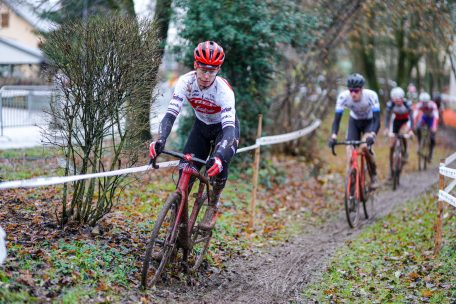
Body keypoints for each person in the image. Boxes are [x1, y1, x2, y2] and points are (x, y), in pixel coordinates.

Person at [149, 41, 240, 230]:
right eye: (203, 70)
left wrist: (220, 157)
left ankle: (213, 204)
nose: (207, 76)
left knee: (219, 164)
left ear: (218, 70)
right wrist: (160, 139)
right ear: (195, 65)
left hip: (224, 130)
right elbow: (170, 114)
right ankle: (175, 229)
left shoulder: (224, 92)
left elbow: (229, 128)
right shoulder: (186, 82)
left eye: (212, 71)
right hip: (201, 127)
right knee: (185, 172)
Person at [328, 73, 381, 189]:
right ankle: (351, 187)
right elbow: (336, 120)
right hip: (354, 122)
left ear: (362, 89)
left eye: (356, 91)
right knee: (350, 153)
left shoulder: (371, 95)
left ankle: (373, 176)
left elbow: (377, 120)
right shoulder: (343, 97)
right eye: (351, 90)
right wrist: (333, 136)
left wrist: (372, 135)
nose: (353, 94)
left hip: (369, 122)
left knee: (365, 147)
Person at [383, 87, 414, 181]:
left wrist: (411, 130)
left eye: (399, 100)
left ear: (402, 98)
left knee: (403, 134)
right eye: (395, 100)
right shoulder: (390, 105)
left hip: (405, 121)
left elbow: (412, 118)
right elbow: (388, 118)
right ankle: (391, 171)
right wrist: (386, 128)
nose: (397, 102)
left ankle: (405, 152)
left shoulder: (407, 104)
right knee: (392, 144)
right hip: (396, 121)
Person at [414, 92, 439, 163]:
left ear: (429, 101)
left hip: (432, 119)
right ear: (421, 101)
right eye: (423, 102)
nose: (424, 104)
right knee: (418, 128)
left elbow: (436, 116)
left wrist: (434, 126)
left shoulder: (433, 105)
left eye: (426, 102)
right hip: (424, 118)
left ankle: (431, 154)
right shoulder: (419, 105)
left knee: (432, 138)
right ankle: (419, 143)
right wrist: (414, 124)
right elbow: (415, 115)